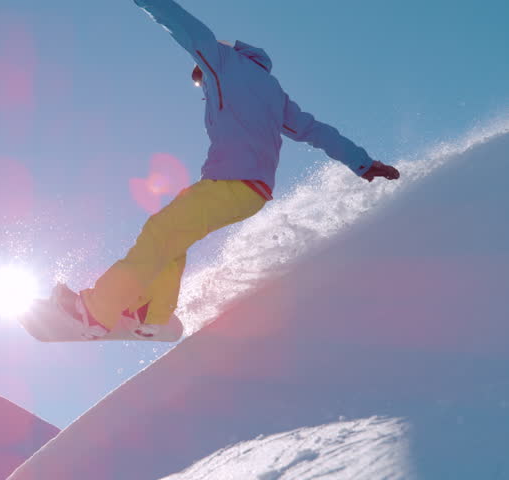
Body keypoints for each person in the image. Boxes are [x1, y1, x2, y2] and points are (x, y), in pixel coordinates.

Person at [51, 0, 400, 340]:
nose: (201, 83)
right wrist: (363, 163)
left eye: (199, 76)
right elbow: (315, 131)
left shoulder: (222, 61)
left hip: (231, 183)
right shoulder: (275, 93)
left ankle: (96, 311)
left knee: (160, 232)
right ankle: (149, 311)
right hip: (250, 193)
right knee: (173, 238)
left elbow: (182, 24)